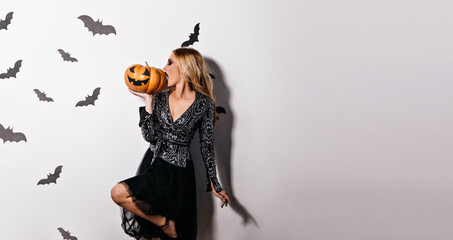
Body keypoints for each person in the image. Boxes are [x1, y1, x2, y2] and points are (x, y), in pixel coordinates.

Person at [111, 47, 232, 240]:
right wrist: (149, 101)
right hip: (154, 164)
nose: (163, 67)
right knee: (119, 193)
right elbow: (150, 137)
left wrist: (216, 185)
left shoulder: (204, 104)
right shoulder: (159, 96)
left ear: (185, 68)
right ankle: (165, 223)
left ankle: (167, 226)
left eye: (169, 63)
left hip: (180, 174)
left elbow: (207, 146)